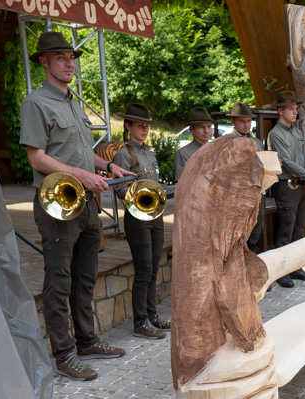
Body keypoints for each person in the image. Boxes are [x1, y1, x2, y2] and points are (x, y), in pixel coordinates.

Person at [20, 31, 132, 381]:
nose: (70, 63)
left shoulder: (73, 102)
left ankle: (86, 342)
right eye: (61, 58)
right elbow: (37, 158)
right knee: (59, 281)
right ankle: (64, 354)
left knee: (84, 279)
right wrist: (83, 175)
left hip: (84, 204)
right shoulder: (36, 103)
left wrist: (108, 166)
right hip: (56, 206)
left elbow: (81, 154)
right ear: (44, 62)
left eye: (72, 58)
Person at [111, 103, 169, 341]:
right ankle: (140, 322)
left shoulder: (149, 152)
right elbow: (118, 189)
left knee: (153, 269)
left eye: (147, 125)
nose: (145, 129)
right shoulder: (123, 154)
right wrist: (135, 197)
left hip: (156, 216)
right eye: (140, 125)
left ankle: (152, 316)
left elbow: (156, 184)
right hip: (137, 219)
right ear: (128, 126)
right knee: (144, 271)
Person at [267, 91, 305, 287]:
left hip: (300, 186)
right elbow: (288, 163)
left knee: (299, 231)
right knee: (285, 232)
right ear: (280, 111)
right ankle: (281, 272)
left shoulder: (296, 132)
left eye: (295, 109)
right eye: (291, 109)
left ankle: (296, 268)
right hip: (287, 186)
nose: (295, 112)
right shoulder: (275, 134)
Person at [222, 102, 266, 252]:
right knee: (238, 236)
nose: (246, 125)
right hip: (238, 197)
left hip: (258, 194)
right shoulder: (227, 142)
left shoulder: (257, 142)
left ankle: (249, 271)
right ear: (233, 121)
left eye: (249, 121)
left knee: (255, 233)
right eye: (242, 121)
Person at [174, 107, 212, 183]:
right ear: (191, 130)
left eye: (209, 126)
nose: (206, 131)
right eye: (201, 127)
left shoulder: (218, 149)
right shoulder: (183, 153)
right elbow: (182, 184)